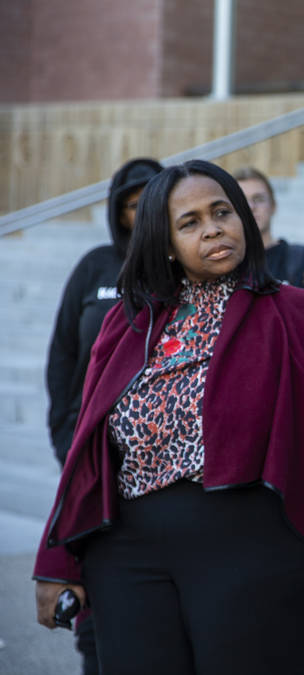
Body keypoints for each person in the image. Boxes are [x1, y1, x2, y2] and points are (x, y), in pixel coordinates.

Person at [33, 160, 304, 675]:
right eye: (191, 222)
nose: (213, 229)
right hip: (127, 555)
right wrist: (57, 560)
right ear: (165, 243)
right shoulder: (128, 323)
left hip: (254, 552)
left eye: (222, 212)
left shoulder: (301, 314)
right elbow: (89, 450)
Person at [44, 156, 163, 675]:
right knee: (96, 611)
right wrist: (66, 440)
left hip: (155, 468)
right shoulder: (94, 267)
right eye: (130, 206)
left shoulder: (175, 273)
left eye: (149, 205)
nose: (139, 216)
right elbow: (63, 357)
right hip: (89, 457)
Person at [233, 166, 304, 286]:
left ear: (273, 206)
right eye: (242, 201)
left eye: (259, 199)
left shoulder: (303, 259)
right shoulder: (224, 264)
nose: (251, 207)